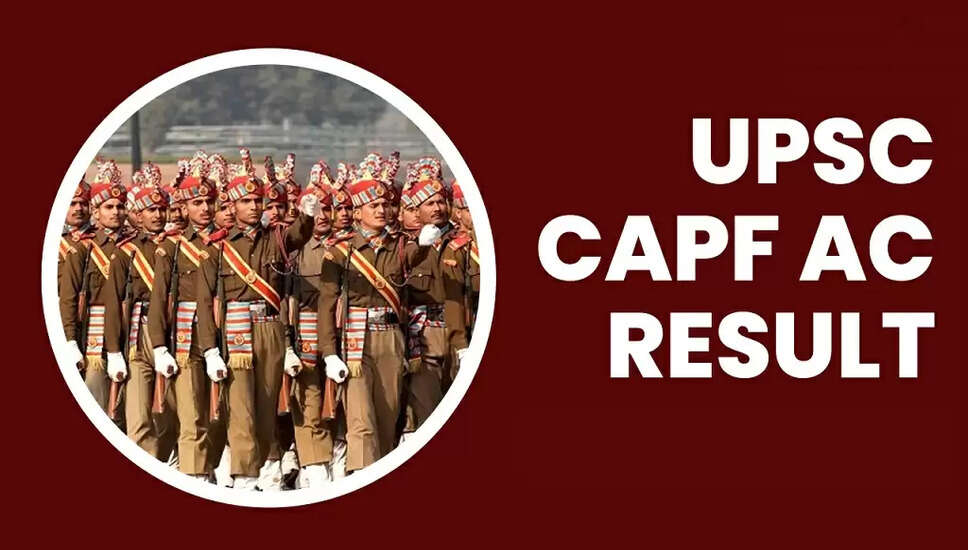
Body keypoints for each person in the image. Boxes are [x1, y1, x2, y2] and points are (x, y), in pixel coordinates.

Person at [195, 150, 319, 490]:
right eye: (245, 201)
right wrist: (209, 350)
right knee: (241, 410)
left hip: (270, 331)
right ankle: (245, 480)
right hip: (235, 333)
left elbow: (299, 235)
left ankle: (258, 469)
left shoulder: (276, 239)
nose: (253, 206)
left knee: (265, 412)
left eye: (257, 201)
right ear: (232, 206)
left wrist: (308, 215)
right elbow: (204, 304)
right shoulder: (217, 248)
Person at [317, 152, 443, 472]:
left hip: (390, 338)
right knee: (361, 421)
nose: (381, 210)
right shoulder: (340, 251)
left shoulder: (399, 245)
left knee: (388, 417)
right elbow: (327, 304)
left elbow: (413, 258)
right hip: (355, 340)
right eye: (373, 205)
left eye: (385, 204)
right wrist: (329, 353)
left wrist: (424, 244)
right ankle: (360, 473)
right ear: (358, 211)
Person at [146, 151, 227, 479]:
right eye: (197, 203)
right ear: (186, 207)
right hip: (186, 337)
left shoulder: (229, 242)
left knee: (224, 414)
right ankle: (196, 477)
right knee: (192, 413)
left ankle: (215, 468)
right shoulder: (173, 246)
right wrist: (158, 346)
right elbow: (158, 298)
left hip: (228, 333)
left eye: (209, 202)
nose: (204, 208)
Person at [102, 164, 176, 458]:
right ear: (138, 214)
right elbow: (113, 302)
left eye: (161, 209)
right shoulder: (126, 251)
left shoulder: (179, 246)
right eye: (150, 210)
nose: (157, 215)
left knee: (172, 410)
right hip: (137, 333)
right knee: (139, 412)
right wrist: (113, 351)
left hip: (175, 330)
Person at [398, 157, 468, 434]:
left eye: (440, 201)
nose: (437, 208)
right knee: (429, 411)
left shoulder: (462, 242)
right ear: (417, 209)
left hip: (459, 334)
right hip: (423, 339)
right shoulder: (405, 246)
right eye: (429, 203)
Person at [63, 159, 134, 411]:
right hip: (94, 334)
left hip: (131, 331)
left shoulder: (135, 244)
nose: (115, 212)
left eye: (120, 207)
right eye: (109, 207)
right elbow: (69, 298)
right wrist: (70, 340)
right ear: (97, 212)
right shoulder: (84, 248)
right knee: (96, 398)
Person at [60, 178, 95, 368]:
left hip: (90, 322)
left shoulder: (99, 240)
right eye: (72, 203)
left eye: (83, 203)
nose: (78, 209)